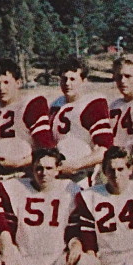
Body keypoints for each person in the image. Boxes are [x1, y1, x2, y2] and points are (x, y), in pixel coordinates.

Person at [0, 59, 56, 176]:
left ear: (18, 83)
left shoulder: (30, 105)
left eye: (6, 82)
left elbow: (47, 149)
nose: (1, 88)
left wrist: (19, 163)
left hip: (26, 174)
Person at [49, 57, 113, 185]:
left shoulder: (92, 104)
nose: (67, 83)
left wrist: (76, 165)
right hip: (58, 176)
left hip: (83, 176)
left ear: (83, 81)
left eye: (73, 79)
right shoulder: (56, 105)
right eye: (64, 79)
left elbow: (105, 149)